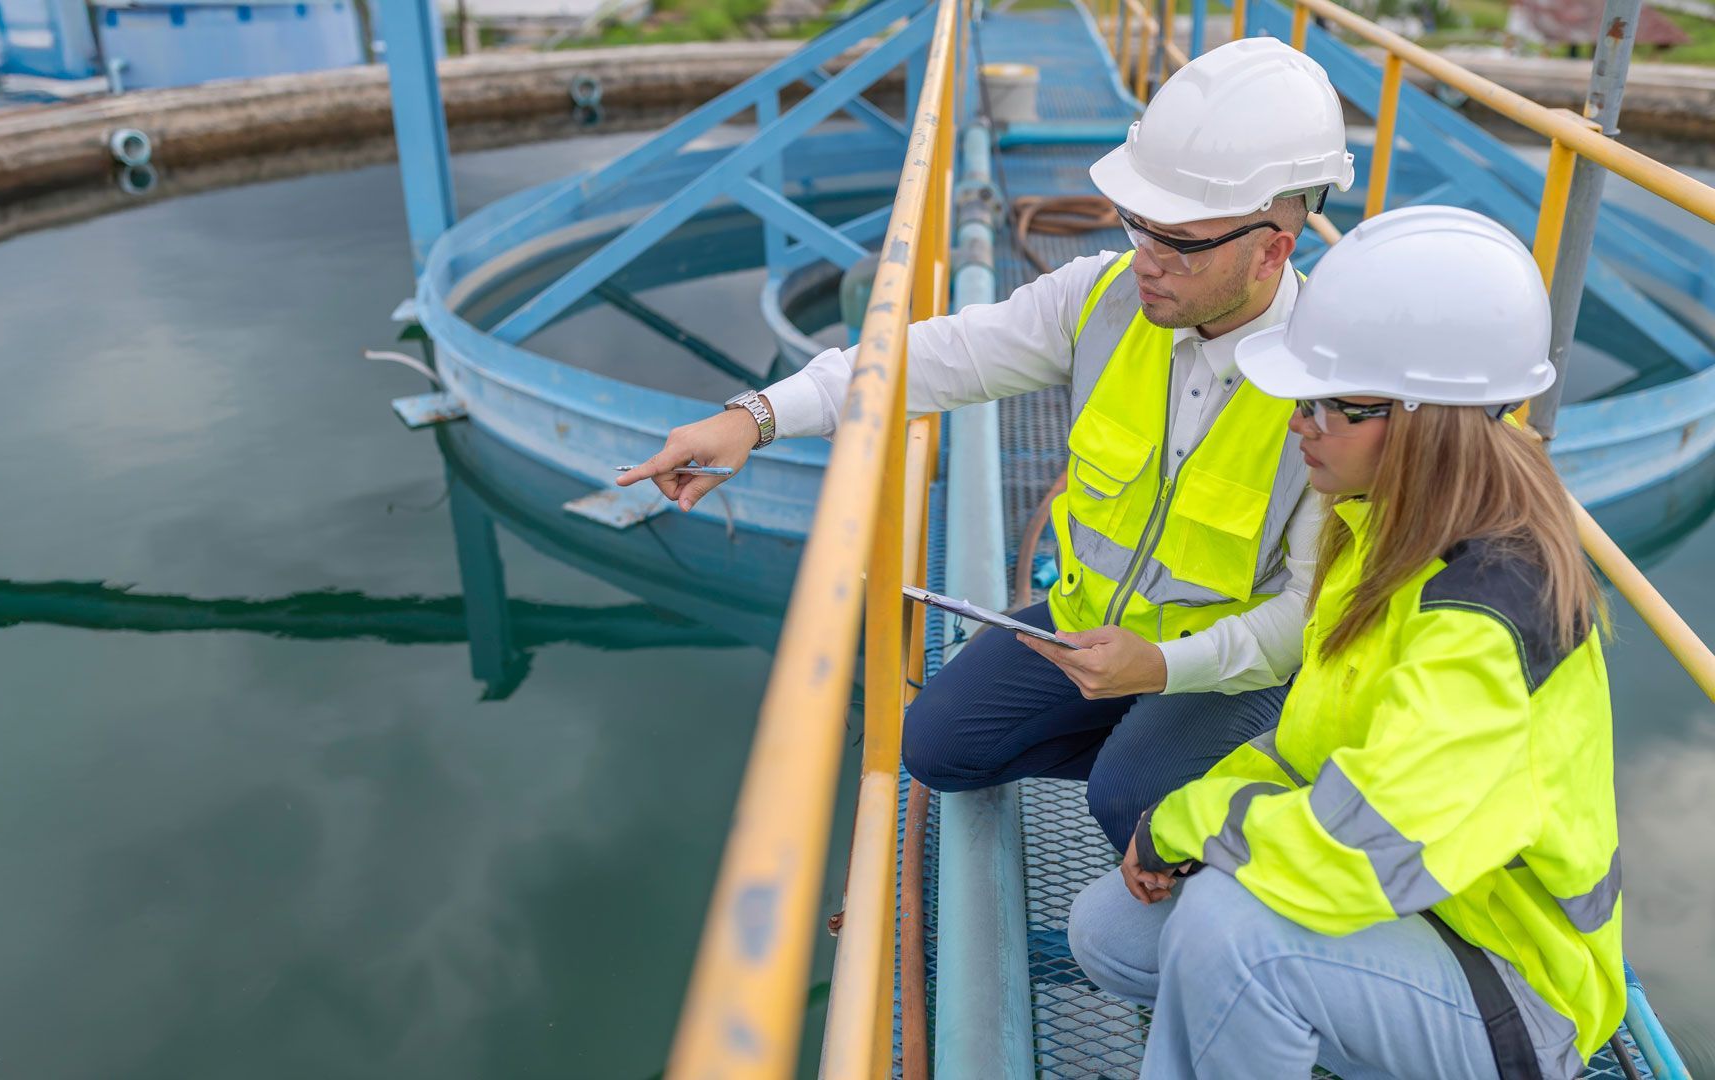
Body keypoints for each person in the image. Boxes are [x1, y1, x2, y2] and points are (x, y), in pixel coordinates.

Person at [617, 37, 1357, 850]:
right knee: (939, 748)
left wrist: (1166, 671)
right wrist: (752, 417)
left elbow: (1306, 612)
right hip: (1088, 626)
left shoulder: (1334, 394)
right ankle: (1165, 753)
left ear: (1271, 249)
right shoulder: (1100, 300)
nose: (1145, 259)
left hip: (1230, 670)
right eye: (1137, 223)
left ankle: (1231, 756)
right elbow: (925, 359)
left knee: (1131, 801)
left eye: (1177, 242)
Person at [1065, 205, 1624, 1080]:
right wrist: (1174, 826)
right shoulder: (1377, 531)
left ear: (1425, 420)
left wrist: (1189, 826)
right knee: (1112, 934)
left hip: (1512, 978)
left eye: (1333, 407)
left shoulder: (1491, 606)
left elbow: (1364, 846)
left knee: (1231, 940)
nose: (1300, 426)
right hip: (1416, 909)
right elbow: (1307, 751)